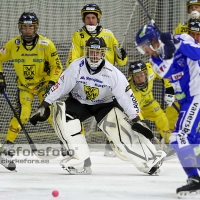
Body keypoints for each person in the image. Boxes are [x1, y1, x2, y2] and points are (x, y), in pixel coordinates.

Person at [30, 36, 166, 176]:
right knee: (61, 115)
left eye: (98, 52)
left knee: (122, 130)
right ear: (86, 51)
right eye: (91, 51)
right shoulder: (76, 67)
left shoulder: (113, 73)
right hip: (79, 102)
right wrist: (44, 105)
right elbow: (60, 86)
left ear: (103, 53)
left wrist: (137, 120)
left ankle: (150, 159)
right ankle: (81, 161)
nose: (94, 55)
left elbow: (126, 97)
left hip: (105, 104)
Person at [135, 24, 200, 198]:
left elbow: (198, 54)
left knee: (182, 136)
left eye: (145, 47)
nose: (146, 52)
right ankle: (194, 175)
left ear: (154, 41)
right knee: (179, 139)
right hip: (187, 101)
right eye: (142, 50)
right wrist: (169, 52)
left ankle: (194, 179)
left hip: (197, 94)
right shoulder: (154, 62)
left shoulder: (183, 39)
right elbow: (167, 71)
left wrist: (176, 43)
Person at [0, 12, 63, 171]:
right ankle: (6, 152)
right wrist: (0, 76)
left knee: (51, 114)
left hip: (43, 85)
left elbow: (57, 66)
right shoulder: (13, 44)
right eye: (25, 27)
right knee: (23, 114)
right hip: (24, 86)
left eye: (31, 27)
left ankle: (65, 143)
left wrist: (51, 82)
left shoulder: (46, 44)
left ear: (36, 27)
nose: (27, 30)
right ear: (20, 27)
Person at [66, 3, 128, 157]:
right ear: (83, 19)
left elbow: (121, 62)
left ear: (98, 18)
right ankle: (77, 147)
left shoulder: (109, 34)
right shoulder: (78, 35)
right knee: (71, 116)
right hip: (85, 82)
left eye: (93, 17)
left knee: (114, 114)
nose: (91, 20)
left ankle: (113, 144)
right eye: (88, 18)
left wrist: (122, 54)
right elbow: (72, 59)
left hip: (107, 83)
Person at [128, 60, 178, 155]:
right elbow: (134, 111)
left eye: (142, 75)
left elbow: (164, 73)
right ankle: (144, 149)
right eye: (136, 76)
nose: (140, 79)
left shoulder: (151, 70)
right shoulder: (130, 91)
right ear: (132, 77)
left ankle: (168, 144)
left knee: (161, 117)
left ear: (146, 73)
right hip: (135, 108)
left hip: (149, 102)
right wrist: (141, 122)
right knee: (141, 127)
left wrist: (169, 88)